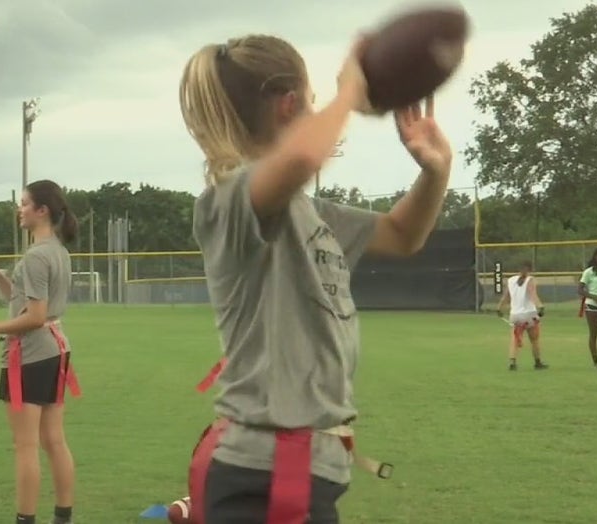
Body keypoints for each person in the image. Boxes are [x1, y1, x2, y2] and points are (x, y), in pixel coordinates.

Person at [179, 34, 452, 523]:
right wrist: (351, 91)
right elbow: (304, 158)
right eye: (311, 99)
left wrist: (436, 171)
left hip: (303, 469)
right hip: (265, 474)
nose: (318, 109)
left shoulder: (311, 212)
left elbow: (403, 234)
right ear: (290, 105)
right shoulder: (228, 200)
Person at [0, 179, 81, 524]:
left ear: (42, 210)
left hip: (31, 355)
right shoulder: (57, 251)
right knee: (54, 441)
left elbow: (33, 317)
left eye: (24, 203)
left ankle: (26, 518)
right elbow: (26, 301)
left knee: (26, 446)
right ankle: (63, 516)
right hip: (56, 350)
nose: (19, 209)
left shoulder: (36, 256)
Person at [496, 261, 548, 371]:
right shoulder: (530, 280)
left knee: (515, 338)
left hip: (515, 315)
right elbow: (533, 294)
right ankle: (537, 362)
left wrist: (499, 308)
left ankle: (512, 362)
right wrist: (540, 306)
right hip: (529, 314)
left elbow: (506, 297)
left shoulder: (511, 280)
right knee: (534, 339)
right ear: (529, 270)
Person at [579, 247, 597, 369]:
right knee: (594, 334)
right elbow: (580, 290)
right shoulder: (589, 272)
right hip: (592, 306)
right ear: (596, 257)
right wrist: (594, 297)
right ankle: (596, 362)